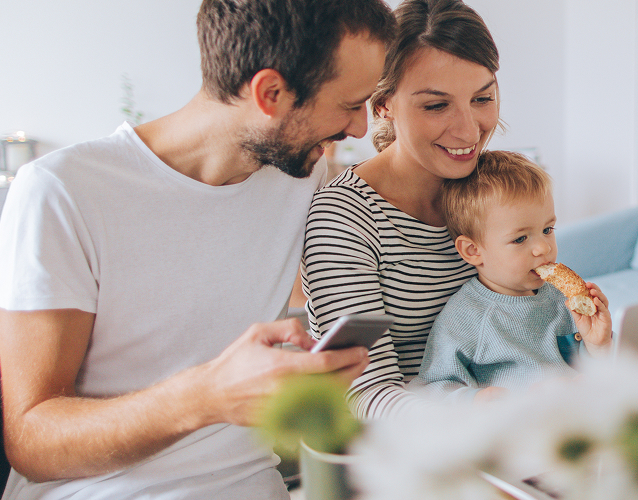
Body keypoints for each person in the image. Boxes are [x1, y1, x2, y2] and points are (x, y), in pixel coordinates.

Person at [0, 1, 395, 499]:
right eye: (349, 104)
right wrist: (206, 397)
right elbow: (31, 441)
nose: (359, 128)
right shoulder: (63, 191)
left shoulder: (301, 176)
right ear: (270, 93)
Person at [302, 0, 499, 419]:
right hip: (410, 443)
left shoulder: (495, 190)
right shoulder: (344, 217)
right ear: (383, 105)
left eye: (482, 98)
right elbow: (365, 394)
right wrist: (478, 413)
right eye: (436, 105)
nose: (469, 130)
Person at [408, 151, 613, 404]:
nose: (543, 248)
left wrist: (598, 345)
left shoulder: (563, 300)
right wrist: (476, 399)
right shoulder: (465, 317)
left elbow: (596, 374)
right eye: (520, 239)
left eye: (547, 229)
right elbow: (431, 388)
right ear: (473, 251)